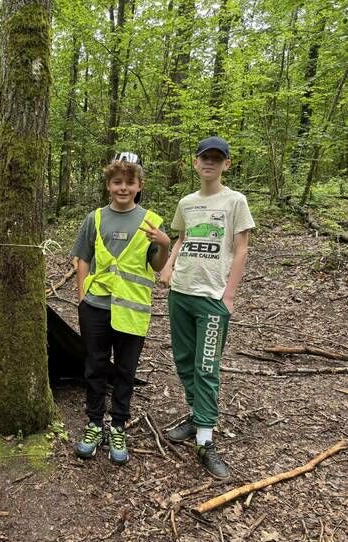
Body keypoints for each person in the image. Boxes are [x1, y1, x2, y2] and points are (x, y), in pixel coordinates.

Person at [160, 136, 254, 480]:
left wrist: (229, 295)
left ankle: (205, 440)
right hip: (181, 293)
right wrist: (168, 266)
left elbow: (241, 249)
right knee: (184, 360)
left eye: (217, 158)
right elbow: (182, 238)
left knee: (206, 366)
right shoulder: (186, 202)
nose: (209, 163)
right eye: (205, 157)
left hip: (212, 298)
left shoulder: (235, 201)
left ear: (226, 164)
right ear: (195, 162)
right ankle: (196, 415)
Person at [71, 153, 170, 464]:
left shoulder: (151, 221)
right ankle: (94, 423)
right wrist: (82, 295)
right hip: (96, 306)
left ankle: (117, 426)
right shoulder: (95, 218)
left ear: (139, 186)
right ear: (108, 185)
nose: (123, 188)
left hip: (133, 309)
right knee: (95, 366)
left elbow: (157, 266)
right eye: (117, 182)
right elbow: (83, 258)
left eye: (129, 182)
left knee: (126, 370)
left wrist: (165, 243)